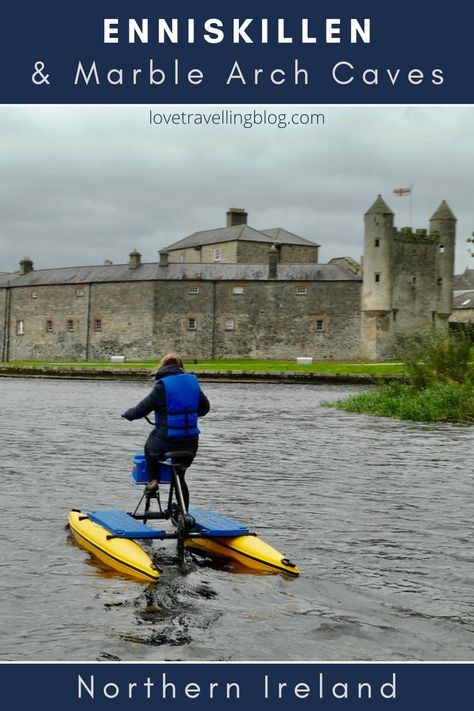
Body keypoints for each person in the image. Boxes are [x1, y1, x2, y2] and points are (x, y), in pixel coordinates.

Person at [122, 353, 210, 508]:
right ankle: (185, 514)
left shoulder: (162, 385)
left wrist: (127, 414)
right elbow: (205, 409)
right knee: (180, 476)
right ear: (181, 367)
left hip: (166, 441)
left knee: (149, 448)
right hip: (190, 443)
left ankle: (153, 480)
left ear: (162, 367)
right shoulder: (193, 383)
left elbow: (140, 410)